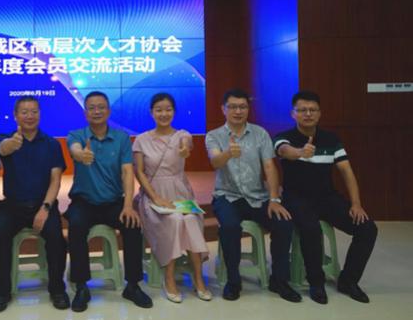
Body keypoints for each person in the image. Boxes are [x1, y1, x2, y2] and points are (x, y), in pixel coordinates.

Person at [274, 90, 377, 304]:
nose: (308, 114)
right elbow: (284, 151)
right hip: (296, 198)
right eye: (302, 110)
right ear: (293, 114)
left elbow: (346, 172)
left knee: (367, 228)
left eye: (313, 110)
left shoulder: (331, 139)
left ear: (320, 113)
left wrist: (356, 204)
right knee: (311, 229)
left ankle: (348, 281)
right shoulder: (284, 137)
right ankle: (316, 282)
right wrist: (301, 152)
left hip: (327, 197)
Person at [205, 88, 301, 302]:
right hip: (227, 196)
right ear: (223, 109)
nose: (238, 111)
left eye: (242, 107)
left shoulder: (260, 134)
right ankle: (233, 281)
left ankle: (279, 280)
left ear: (248, 109)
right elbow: (215, 162)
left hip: (258, 197)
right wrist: (228, 153)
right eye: (232, 107)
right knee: (230, 227)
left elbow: (269, 167)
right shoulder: (214, 136)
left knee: (283, 223)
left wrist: (274, 199)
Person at [65, 91, 152, 312]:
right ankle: (81, 286)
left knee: (132, 225)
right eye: (92, 108)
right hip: (84, 201)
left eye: (101, 107)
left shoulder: (121, 138)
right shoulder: (76, 135)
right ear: (85, 112)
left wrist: (128, 206)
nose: (97, 111)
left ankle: (132, 285)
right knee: (76, 226)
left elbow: (127, 172)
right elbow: (75, 150)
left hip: (114, 202)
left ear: (108, 111)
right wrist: (81, 155)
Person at [0, 97, 69, 312]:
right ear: (16, 116)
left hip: (43, 205)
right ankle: (2, 291)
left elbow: (55, 180)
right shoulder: (5, 138)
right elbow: (3, 149)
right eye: (24, 112)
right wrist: (12, 144)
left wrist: (45, 208)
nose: (29, 116)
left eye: (34, 111)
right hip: (12, 206)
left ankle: (57, 289)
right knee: (0, 237)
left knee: (57, 239)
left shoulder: (51, 144)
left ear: (40, 114)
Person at [133, 93, 211, 303]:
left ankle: (198, 278)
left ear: (174, 112)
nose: (163, 114)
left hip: (180, 194)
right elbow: (139, 172)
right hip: (153, 195)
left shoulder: (182, 135)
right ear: (151, 112)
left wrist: (185, 149)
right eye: (159, 110)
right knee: (175, 220)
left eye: (168, 109)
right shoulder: (141, 140)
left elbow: (187, 144)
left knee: (190, 219)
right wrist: (155, 197)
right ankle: (169, 277)